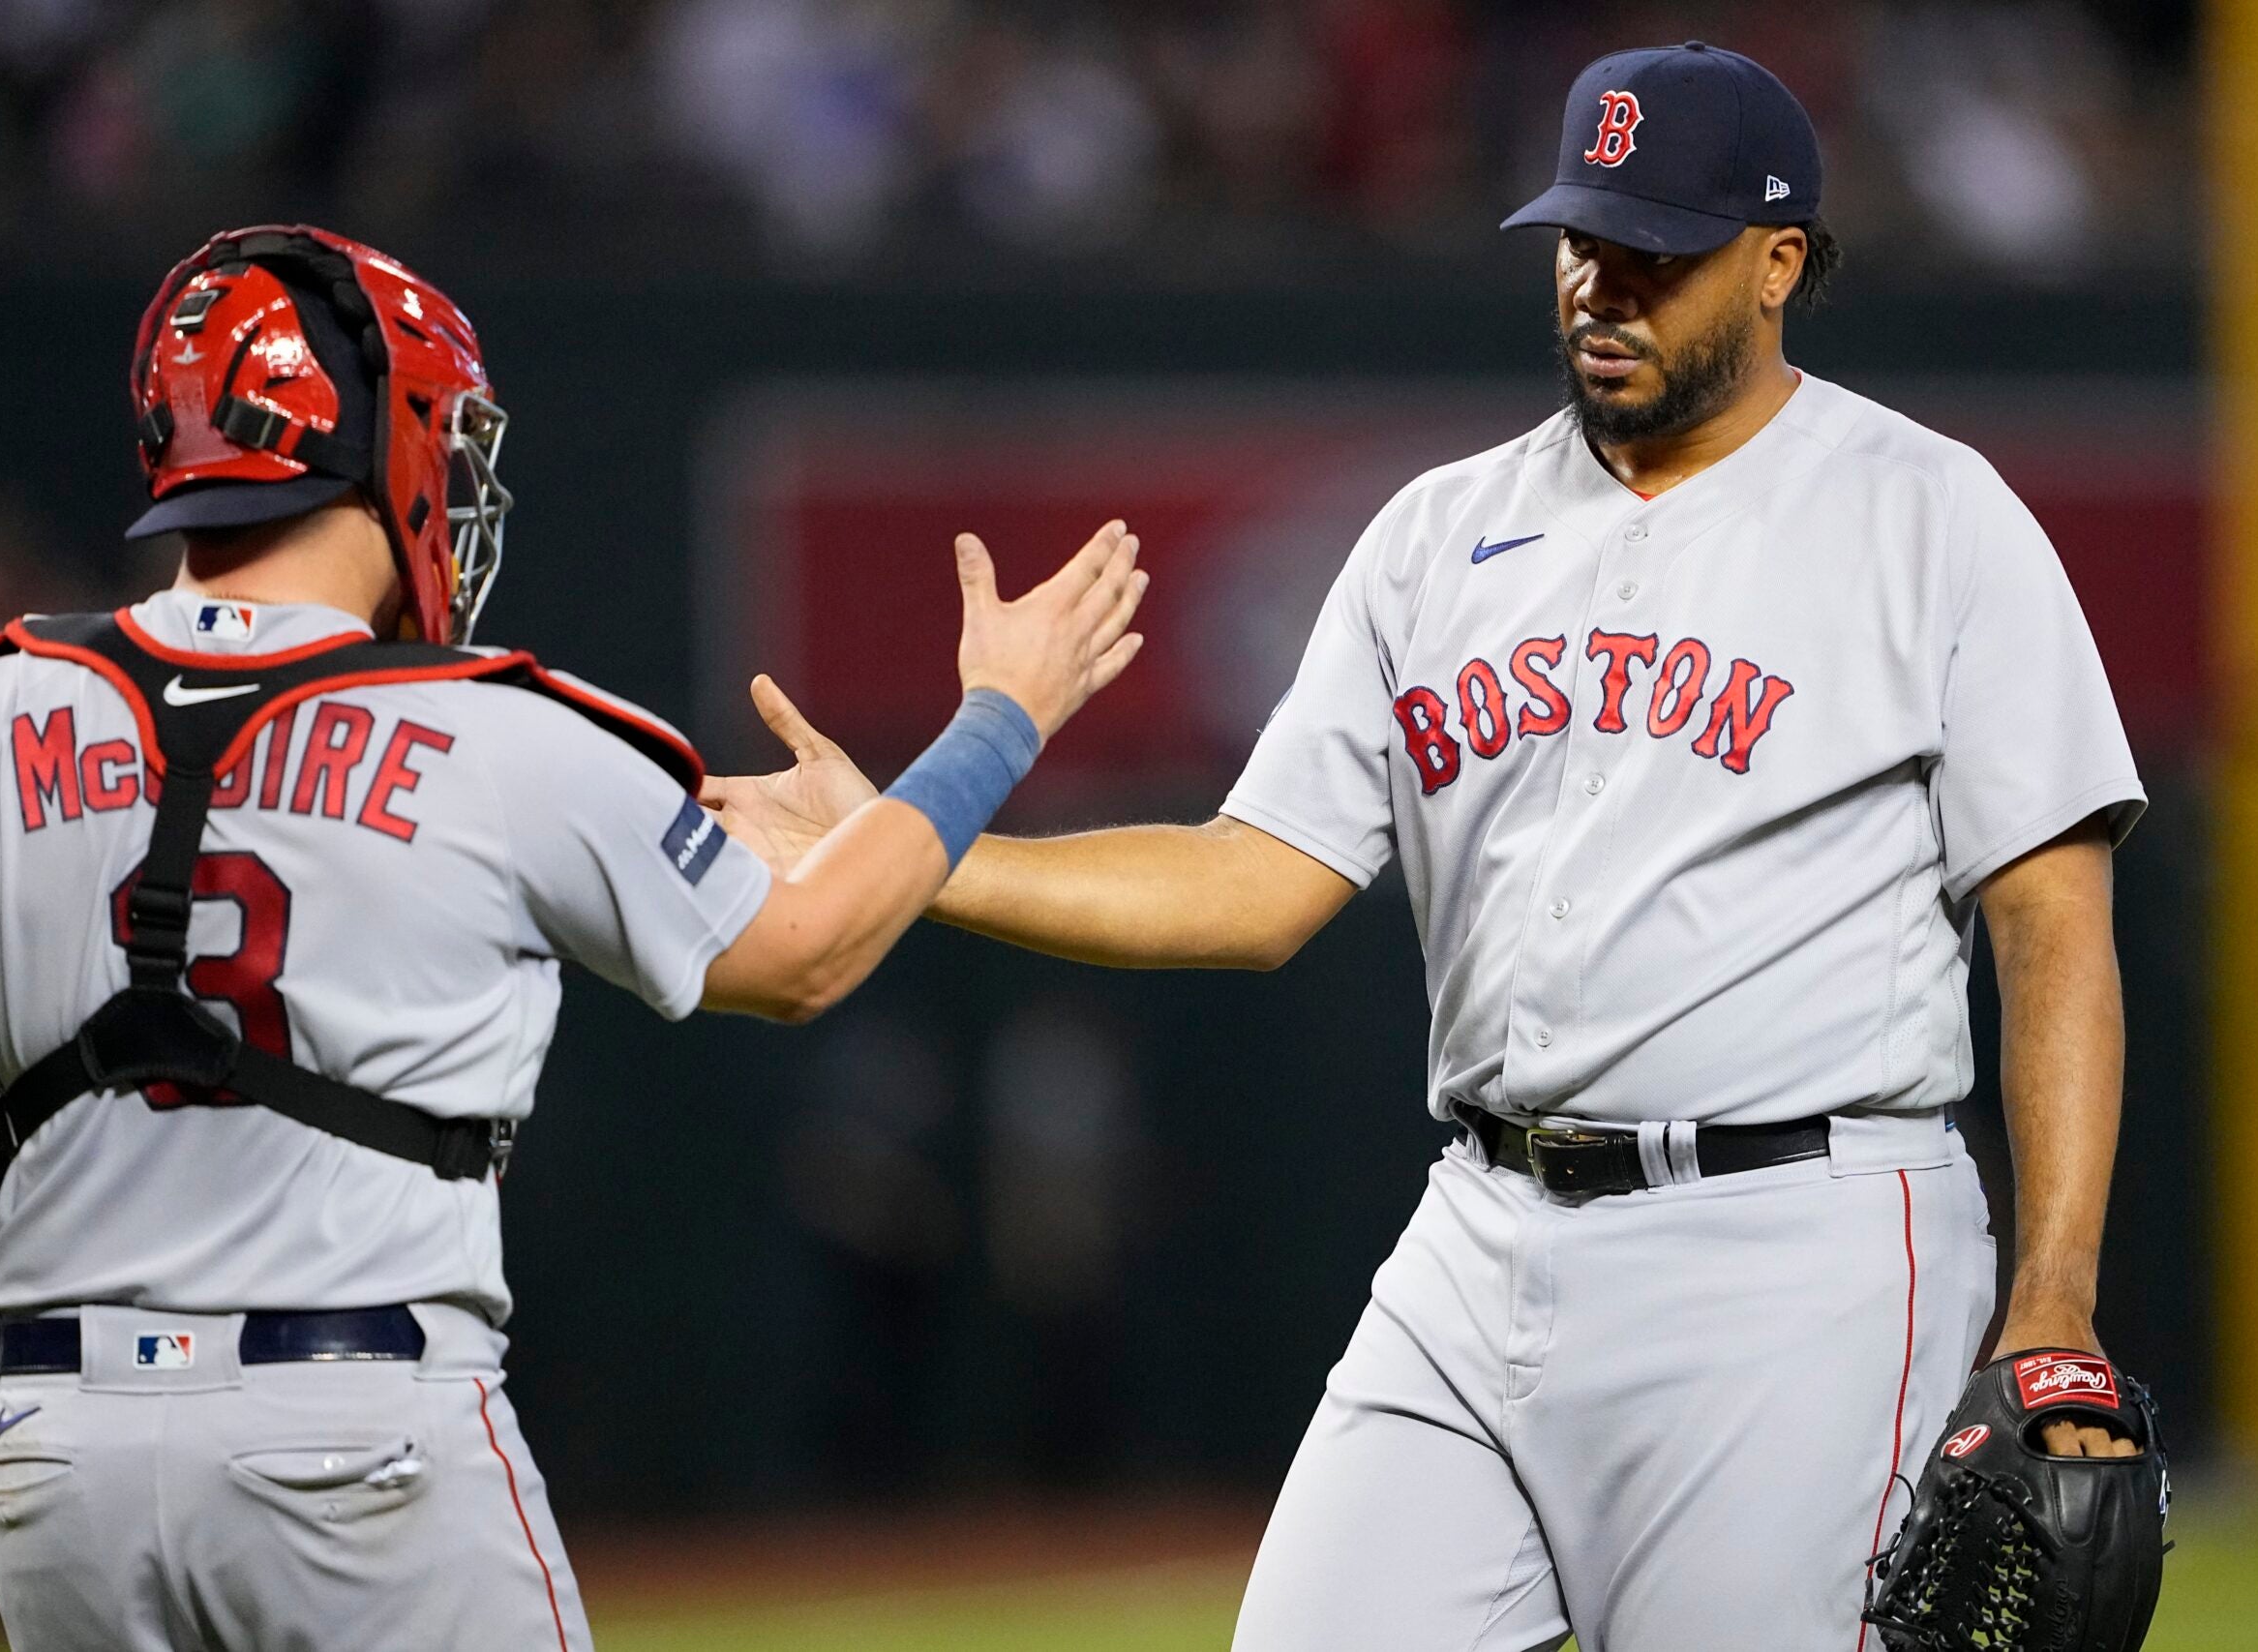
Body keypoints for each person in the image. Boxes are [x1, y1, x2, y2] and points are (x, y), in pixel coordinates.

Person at [706, 43, 2148, 1650]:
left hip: (1795, 1248)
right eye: (1581, 241)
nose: (1603, 286)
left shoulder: (1930, 516)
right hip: (1480, 1233)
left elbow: (2054, 936)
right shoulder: (1437, 536)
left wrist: (2055, 1304)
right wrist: (917, 845)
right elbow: (1253, 884)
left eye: (1654, 252)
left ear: (1781, 261)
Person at [0, 223, 1144, 1652]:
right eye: (444, 434)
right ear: (377, 439)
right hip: (358, 1434)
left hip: (56, 1453)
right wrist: (996, 723)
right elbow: (809, 952)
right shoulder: (496, 726)